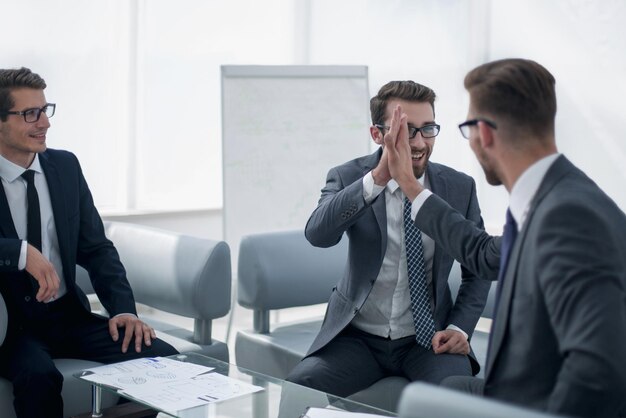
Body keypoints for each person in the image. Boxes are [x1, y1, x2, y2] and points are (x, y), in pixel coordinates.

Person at [382, 58, 626, 417]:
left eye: (468, 128)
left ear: (485, 133)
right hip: (522, 387)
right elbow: (484, 254)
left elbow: (599, 372)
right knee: (448, 392)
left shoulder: (568, 217)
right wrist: (411, 186)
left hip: (540, 403)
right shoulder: (548, 195)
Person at [285, 80, 492, 398]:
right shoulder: (348, 177)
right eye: (407, 130)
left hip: (428, 340)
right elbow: (318, 234)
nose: (419, 142)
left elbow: (477, 267)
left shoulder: (459, 188)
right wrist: (379, 177)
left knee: (459, 398)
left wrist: (459, 327)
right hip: (357, 339)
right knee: (301, 387)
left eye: (428, 129)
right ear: (377, 135)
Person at [0, 67, 178, 418]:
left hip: (69, 315)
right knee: (39, 377)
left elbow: (97, 249)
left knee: (164, 359)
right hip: (13, 328)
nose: (45, 123)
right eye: (29, 114)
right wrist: (20, 253)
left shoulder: (65, 167)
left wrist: (123, 309)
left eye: (45, 109)